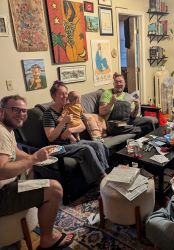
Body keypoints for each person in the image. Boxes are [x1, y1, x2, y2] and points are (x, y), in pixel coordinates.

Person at [0, 95, 74, 250]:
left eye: (24, 111)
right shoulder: (1, 133)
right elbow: (3, 171)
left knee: (34, 172)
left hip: (9, 186)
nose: (21, 114)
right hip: (2, 193)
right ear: (2, 112)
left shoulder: (7, 129)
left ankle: (38, 209)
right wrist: (33, 159)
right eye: (16, 110)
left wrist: (36, 158)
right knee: (55, 189)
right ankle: (47, 240)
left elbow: (15, 152)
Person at [43, 81, 109, 186]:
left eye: (66, 93)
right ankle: (102, 179)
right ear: (53, 96)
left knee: (99, 144)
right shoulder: (48, 114)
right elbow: (50, 137)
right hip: (59, 147)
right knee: (87, 149)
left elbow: (82, 126)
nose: (65, 96)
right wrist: (64, 121)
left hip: (73, 142)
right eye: (61, 94)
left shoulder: (70, 107)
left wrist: (70, 130)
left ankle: (104, 174)